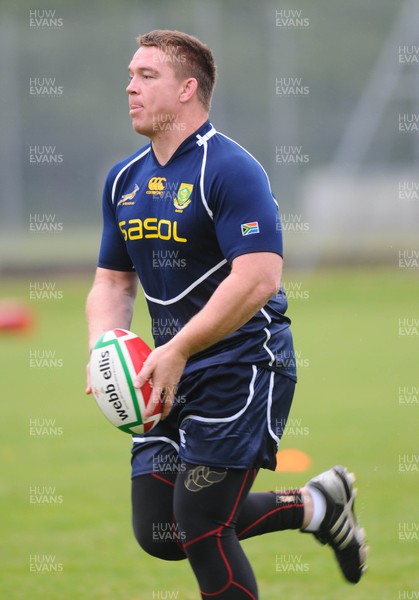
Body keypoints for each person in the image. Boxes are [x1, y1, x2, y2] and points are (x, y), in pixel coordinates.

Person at [86, 29, 367, 599]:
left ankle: (317, 505)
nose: (129, 87)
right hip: (162, 371)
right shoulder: (124, 178)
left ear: (188, 88)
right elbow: (113, 281)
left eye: (146, 76)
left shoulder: (230, 168)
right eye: (130, 76)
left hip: (241, 366)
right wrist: (104, 347)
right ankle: (317, 505)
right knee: (161, 532)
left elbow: (258, 278)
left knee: (203, 528)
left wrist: (180, 348)